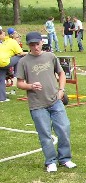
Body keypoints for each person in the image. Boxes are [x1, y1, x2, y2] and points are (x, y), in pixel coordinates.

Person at [15, 31, 76, 172]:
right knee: (45, 134)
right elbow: (19, 83)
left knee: (64, 128)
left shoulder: (50, 56)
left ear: (42, 42)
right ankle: (51, 161)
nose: (35, 47)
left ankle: (65, 158)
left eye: (37, 44)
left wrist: (61, 90)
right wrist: (30, 86)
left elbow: (61, 73)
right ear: (28, 45)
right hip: (37, 104)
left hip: (55, 100)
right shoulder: (23, 62)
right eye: (32, 45)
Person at [0, 26, 27, 102]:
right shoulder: (13, 42)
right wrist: (30, 53)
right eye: (18, 37)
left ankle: (2, 98)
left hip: (1, 63)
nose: (19, 39)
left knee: (1, 79)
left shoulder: (5, 41)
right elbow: (21, 53)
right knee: (19, 57)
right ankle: (16, 74)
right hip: (4, 62)